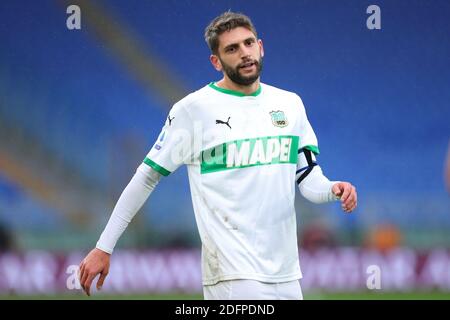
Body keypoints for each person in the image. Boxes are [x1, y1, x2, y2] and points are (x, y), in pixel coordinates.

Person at [78, 11, 357, 300]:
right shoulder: (193, 110)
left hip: (285, 272)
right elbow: (147, 177)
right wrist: (104, 246)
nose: (244, 53)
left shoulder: (289, 104)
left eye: (248, 43)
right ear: (216, 61)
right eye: (232, 49)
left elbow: (307, 176)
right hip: (232, 274)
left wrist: (332, 190)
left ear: (261, 46)